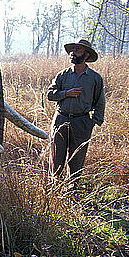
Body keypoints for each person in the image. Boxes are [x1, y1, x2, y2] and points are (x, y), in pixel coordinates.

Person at [47, 39, 106, 181]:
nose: (73, 53)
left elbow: (100, 102)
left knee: (77, 159)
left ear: (86, 55)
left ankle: (73, 191)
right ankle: (55, 191)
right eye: (72, 50)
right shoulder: (62, 75)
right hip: (61, 119)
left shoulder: (95, 78)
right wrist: (66, 93)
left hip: (82, 122)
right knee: (56, 158)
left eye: (78, 50)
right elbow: (50, 94)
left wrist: (93, 122)